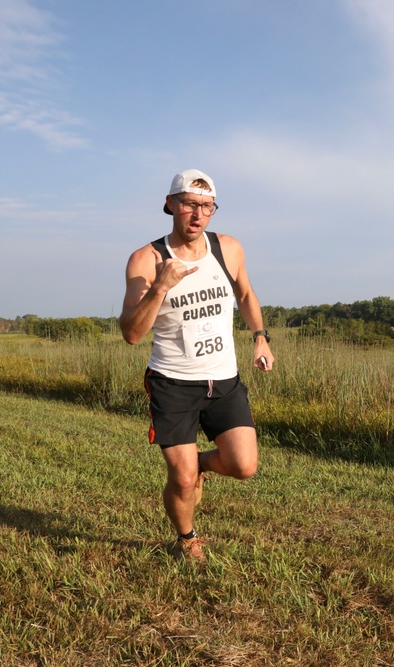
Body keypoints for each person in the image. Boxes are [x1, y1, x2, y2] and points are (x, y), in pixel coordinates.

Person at [120, 169, 274, 564]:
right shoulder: (147, 259)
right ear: (170, 204)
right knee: (183, 479)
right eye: (190, 204)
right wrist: (160, 286)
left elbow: (245, 292)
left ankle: (200, 462)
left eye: (207, 206)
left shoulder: (228, 248)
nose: (198, 214)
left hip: (223, 379)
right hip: (173, 383)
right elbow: (132, 333)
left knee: (244, 466)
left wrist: (260, 336)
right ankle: (187, 539)